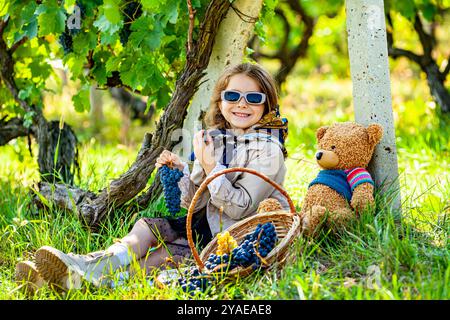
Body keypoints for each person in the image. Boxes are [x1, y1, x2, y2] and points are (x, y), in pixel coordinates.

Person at [15, 63, 290, 293]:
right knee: (145, 230)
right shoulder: (217, 139)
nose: (241, 104)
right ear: (220, 101)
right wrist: (182, 170)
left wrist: (210, 164)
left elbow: (239, 207)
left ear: (267, 105)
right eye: (233, 96)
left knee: (163, 257)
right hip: (205, 222)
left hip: (235, 237)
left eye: (253, 98)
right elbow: (194, 199)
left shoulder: (268, 150)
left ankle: (90, 283)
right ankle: (85, 264)